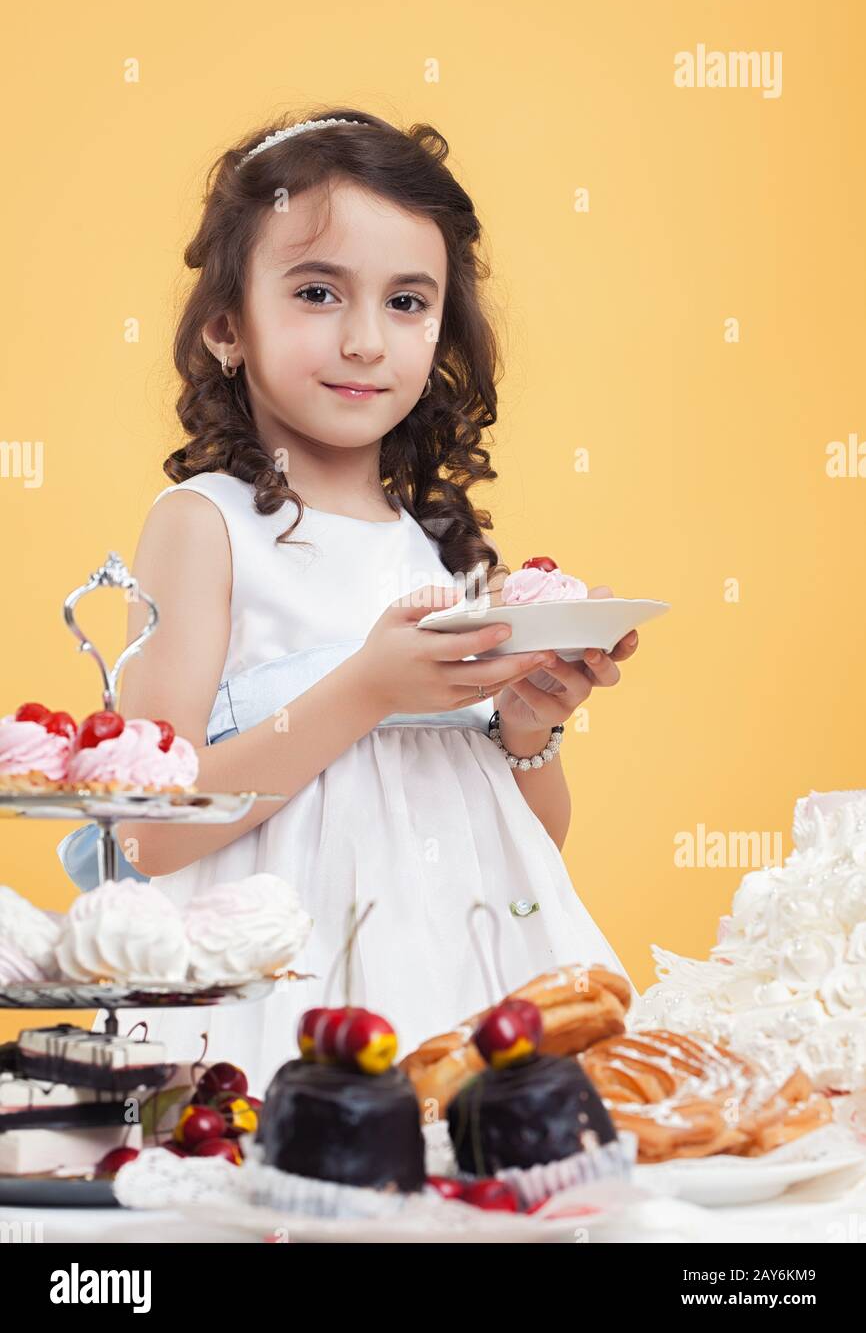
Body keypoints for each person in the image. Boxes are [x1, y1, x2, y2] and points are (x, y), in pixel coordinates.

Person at [57, 108, 641, 1096]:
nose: (366, 340)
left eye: (407, 302)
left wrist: (527, 728)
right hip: (290, 1001)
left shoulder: (435, 546)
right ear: (226, 325)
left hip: (459, 984)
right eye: (318, 292)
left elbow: (520, 840)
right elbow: (147, 832)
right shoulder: (204, 526)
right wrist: (363, 689)